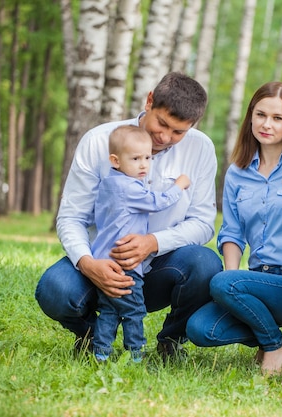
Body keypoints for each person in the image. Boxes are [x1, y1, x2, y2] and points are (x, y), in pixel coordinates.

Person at [35, 72, 223, 361]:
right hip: (103, 260)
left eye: (178, 132)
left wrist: (152, 242)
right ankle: (93, 336)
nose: (165, 137)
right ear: (149, 101)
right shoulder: (99, 141)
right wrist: (88, 264)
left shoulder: (201, 148)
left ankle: (170, 341)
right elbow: (72, 217)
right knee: (54, 289)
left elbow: (202, 223)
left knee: (206, 263)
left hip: (160, 266)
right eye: (162, 124)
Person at [186, 82, 282, 376]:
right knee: (200, 328)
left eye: (277, 118)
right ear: (250, 116)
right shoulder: (237, 172)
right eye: (260, 115)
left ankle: (274, 345)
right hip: (256, 283)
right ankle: (273, 337)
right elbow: (231, 233)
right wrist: (230, 282)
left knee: (223, 283)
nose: (266, 124)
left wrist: (227, 284)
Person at [91, 125, 191, 363]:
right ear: (115, 160)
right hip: (125, 264)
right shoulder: (129, 188)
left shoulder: (109, 183)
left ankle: (101, 352)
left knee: (109, 310)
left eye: (147, 157)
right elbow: (158, 201)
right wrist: (179, 184)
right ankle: (135, 354)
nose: (144, 165)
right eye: (135, 159)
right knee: (134, 311)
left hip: (104, 261)